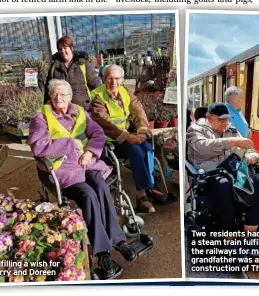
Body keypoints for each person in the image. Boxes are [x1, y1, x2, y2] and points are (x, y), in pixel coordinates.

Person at [29, 79, 136, 279]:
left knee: (101, 186)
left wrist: (91, 153)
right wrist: (70, 143)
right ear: (50, 96)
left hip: (87, 163)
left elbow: (97, 133)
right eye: (55, 94)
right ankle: (102, 252)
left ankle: (118, 240)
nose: (58, 98)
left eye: (63, 94)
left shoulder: (79, 111)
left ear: (70, 96)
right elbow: (38, 146)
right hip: (63, 170)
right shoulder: (41, 118)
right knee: (88, 195)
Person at [186, 102, 259, 255]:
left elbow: (249, 146)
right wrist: (233, 142)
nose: (225, 123)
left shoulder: (231, 129)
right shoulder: (195, 129)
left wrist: (252, 155)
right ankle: (228, 236)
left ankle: (250, 231)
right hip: (211, 173)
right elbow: (202, 147)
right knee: (224, 185)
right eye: (221, 119)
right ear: (209, 117)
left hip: (234, 170)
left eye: (226, 119)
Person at [90, 65, 167, 214]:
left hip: (128, 133)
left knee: (146, 146)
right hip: (111, 139)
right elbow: (103, 121)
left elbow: (139, 112)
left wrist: (143, 131)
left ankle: (150, 185)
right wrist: (127, 137)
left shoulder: (126, 92)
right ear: (104, 79)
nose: (114, 82)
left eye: (117, 78)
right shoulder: (97, 96)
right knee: (136, 150)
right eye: (110, 78)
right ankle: (142, 195)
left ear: (122, 79)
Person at [44, 35, 101, 111]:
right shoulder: (54, 67)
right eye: (60, 49)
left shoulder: (83, 64)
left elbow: (96, 85)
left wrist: (98, 106)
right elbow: (48, 89)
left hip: (83, 109)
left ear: (71, 48)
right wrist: (46, 107)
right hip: (62, 110)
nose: (62, 51)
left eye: (65, 48)